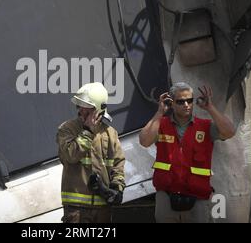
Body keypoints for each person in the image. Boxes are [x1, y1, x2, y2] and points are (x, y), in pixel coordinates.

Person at [139, 82, 236, 223]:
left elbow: (230, 132)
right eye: (181, 101)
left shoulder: (205, 126)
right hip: (166, 197)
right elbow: (144, 141)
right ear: (171, 104)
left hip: (197, 198)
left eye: (189, 100)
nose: (186, 105)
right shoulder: (161, 125)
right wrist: (159, 113)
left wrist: (210, 107)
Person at [57, 82, 125, 223]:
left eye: (87, 108)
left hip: (103, 209)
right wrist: (88, 131)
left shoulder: (110, 133)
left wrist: (116, 189)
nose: (81, 111)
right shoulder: (67, 129)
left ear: (99, 109)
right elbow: (70, 156)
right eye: (79, 106)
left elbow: (118, 165)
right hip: (76, 210)